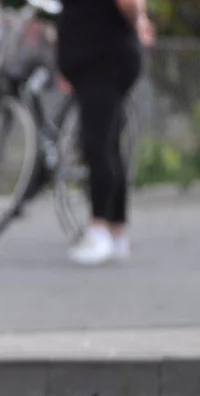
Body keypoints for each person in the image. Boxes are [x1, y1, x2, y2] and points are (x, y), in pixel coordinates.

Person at [57, 0, 155, 266]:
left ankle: (99, 228)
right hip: (97, 58)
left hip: (103, 58)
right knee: (108, 143)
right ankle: (116, 230)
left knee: (97, 143)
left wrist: (138, 19)